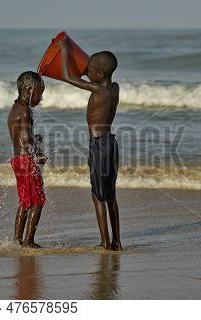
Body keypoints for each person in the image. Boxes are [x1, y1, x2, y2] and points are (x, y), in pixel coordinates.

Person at [58, 38, 123, 251]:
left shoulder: (97, 90)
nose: (86, 72)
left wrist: (66, 52)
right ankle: (116, 242)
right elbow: (92, 75)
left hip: (98, 145)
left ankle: (104, 243)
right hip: (111, 144)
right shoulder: (114, 88)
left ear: (100, 75)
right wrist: (89, 68)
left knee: (97, 195)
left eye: (90, 70)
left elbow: (68, 76)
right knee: (111, 195)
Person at [8, 71, 47, 248]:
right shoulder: (24, 112)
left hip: (18, 160)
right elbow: (25, 139)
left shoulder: (16, 108)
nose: (41, 98)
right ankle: (29, 241)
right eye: (40, 93)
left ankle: (18, 240)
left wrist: (34, 140)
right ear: (30, 89)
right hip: (26, 161)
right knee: (37, 202)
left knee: (25, 201)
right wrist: (36, 153)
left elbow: (24, 137)